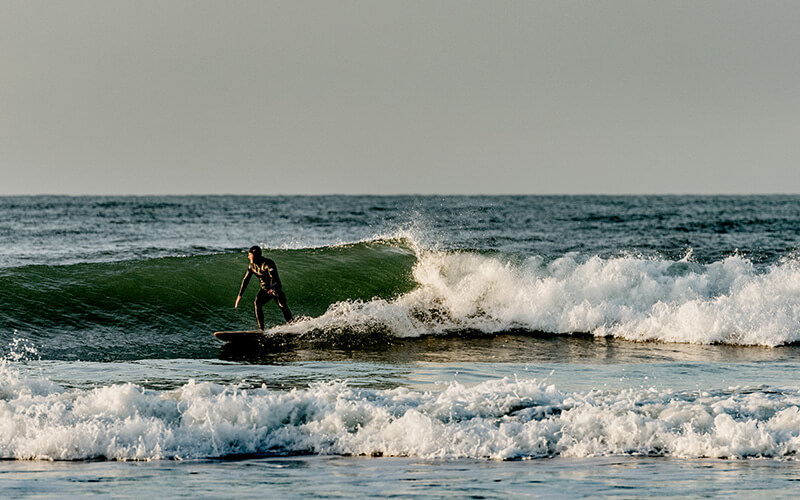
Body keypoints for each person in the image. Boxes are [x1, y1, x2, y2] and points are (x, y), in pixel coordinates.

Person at [235, 245, 293, 329]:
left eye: (250, 255)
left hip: (275, 289)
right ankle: (261, 329)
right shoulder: (252, 266)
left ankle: (292, 324)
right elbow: (246, 280)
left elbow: (273, 276)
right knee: (257, 303)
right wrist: (239, 295)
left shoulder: (268, 263)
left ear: (255, 255)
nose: (248, 257)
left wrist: (273, 288)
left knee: (282, 305)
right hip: (264, 289)